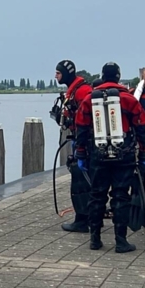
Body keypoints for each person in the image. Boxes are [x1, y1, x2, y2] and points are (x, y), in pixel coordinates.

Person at [74, 62, 145, 253]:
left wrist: (81, 153)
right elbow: (141, 126)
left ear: (102, 76)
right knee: (120, 196)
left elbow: (81, 128)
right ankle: (120, 240)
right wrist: (144, 154)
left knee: (97, 195)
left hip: (97, 155)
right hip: (123, 156)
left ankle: (95, 238)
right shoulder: (128, 99)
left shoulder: (89, 99)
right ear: (118, 77)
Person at [51, 60, 93, 232]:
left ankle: (82, 220)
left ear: (67, 73)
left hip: (84, 142)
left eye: (58, 73)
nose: (55, 76)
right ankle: (90, 217)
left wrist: (82, 143)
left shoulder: (82, 91)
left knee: (80, 180)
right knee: (83, 178)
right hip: (80, 140)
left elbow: (87, 118)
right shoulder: (74, 90)